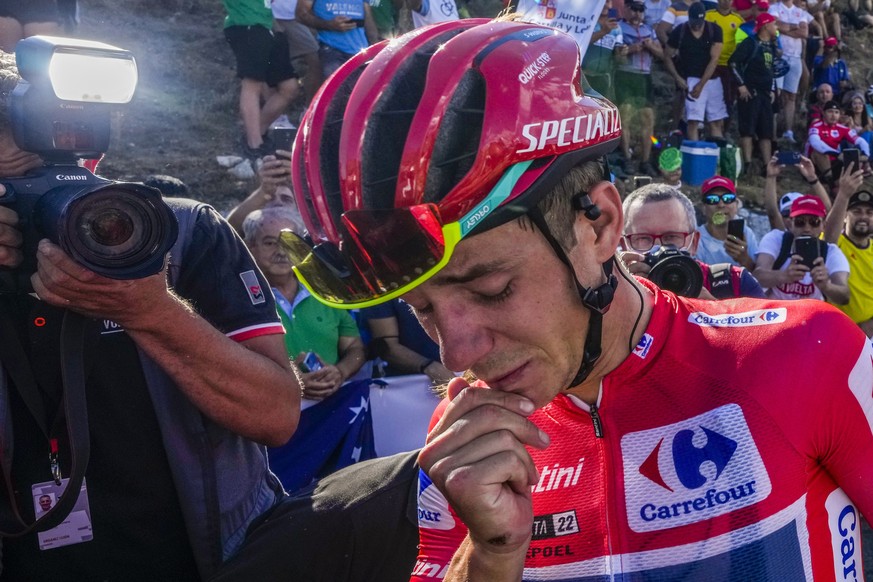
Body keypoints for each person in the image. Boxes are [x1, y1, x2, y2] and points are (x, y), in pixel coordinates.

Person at [284, 20, 873, 581]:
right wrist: (490, 555)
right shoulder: (465, 433)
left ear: (600, 227)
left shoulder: (805, 353)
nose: (458, 355)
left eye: (492, 288)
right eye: (423, 310)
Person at [0, 51, 300, 580]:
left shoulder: (177, 235)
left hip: (198, 559)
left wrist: (151, 311)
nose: (56, 194)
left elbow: (275, 415)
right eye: (25, 183)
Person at [242, 206, 365, 400]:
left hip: (330, 412)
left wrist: (340, 372)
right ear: (249, 247)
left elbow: (355, 349)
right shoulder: (240, 299)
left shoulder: (324, 291)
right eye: (270, 243)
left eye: (288, 243)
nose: (281, 252)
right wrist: (289, 380)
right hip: (272, 412)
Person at [620, 183, 766, 298]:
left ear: (694, 242)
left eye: (671, 237)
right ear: (623, 245)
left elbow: (771, 335)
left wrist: (712, 312)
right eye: (643, 238)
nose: (659, 249)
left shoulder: (736, 283)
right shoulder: (610, 291)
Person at [753, 195, 851, 301]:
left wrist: (827, 286)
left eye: (814, 222)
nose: (807, 228)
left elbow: (844, 295)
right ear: (790, 224)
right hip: (777, 312)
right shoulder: (776, 239)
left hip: (810, 314)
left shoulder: (831, 252)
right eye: (800, 222)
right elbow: (757, 276)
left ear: (823, 225)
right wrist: (783, 276)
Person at [664, 2, 727, 141]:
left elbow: (714, 59)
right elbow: (667, 56)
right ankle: (694, 153)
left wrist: (701, 84)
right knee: (693, 121)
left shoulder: (714, 30)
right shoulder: (680, 31)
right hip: (690, 78)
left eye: (700, 22)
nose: (697, 25)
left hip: (712, 79)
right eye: (694, 22)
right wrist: (677, 77)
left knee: (716, 121)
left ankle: (716, 155)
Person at [823, 166, 873, 335]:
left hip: (868, 334)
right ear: (845, 216)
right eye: (857, 211)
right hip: (833, 330)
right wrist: (843, 194)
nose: (864, 216)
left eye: (869, 212)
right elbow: (828, 241)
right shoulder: (836, 244)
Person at [728, 11, 778, 173]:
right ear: (765, 26)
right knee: (747, 129)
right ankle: (747, 164)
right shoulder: (750, 43)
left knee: (766, 132)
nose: (776, 27)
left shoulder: (771, 46)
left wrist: (772, 89)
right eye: (773, 24)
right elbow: (733, 63)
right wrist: (741, 85)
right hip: (751, 91)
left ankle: (767, 165)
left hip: (765, 93)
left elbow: (771, 70)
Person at [616, 1, 662, 175]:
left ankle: (645, 161)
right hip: (626, 74)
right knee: (625, 116)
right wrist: (632, 49)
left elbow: (662, 54)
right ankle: (626, 158)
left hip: (645, 76)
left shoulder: (649, 30)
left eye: (641, 10)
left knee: (648, 119)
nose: (637, 13)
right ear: (626, 9)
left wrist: (650, 46)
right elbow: (617, 55)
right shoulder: (619, 27)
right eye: (634, 9)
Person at [361, 298, 456, 383]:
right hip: (409, 385)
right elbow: (386, 346)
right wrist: (429, 366)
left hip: (457, 370)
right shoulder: (381, 293)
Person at [296, 0, 379, 78]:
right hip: (331, 49)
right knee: (337, 90)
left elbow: (368, 18)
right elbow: (301, 14)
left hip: (360, 50)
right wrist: (329, 25)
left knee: (360, 90)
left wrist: (375, 47)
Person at [768, 0, 812, 143]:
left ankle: (788, 131)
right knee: (776, 94)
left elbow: (804, 32)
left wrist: (785, 28)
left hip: (795, 56)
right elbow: (775, 26)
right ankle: (772, 133)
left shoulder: (800, 11)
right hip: (780, 55)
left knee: (791, 96)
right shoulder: (773, 8)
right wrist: (794, 27)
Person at [694, 175, 758, 269]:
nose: (721, 205)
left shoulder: (746, 233)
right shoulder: (697, 240)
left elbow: (758, 277)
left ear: (736, 205)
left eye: (728, 198)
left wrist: (744, 259)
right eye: (713, 199)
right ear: (703, 208)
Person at [272, 0, 323, 104]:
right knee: (274, 66)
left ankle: (309, 110)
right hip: (271, 17)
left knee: (315, 61)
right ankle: (278, 116)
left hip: (296, 18)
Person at [807, 99, 871, 181]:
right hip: (815, 164)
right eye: (830, 112)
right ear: (823, 113)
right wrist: (837, 154)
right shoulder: (816, 126)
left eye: (836, 112)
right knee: (819, 153)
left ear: (839, 115)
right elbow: (815, 143)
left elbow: (859, 140)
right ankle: (829, 180)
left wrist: (865, 153)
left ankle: (840, 182)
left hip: (835, 162)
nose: (833, 115)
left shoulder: (842, 128)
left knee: (853, 153)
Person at [705, 0, 745, 121]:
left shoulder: (738, 20)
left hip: (729, 65)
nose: (726, 1)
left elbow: (743, 43)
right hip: (711, 63)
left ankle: (724, 131)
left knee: (728, 99)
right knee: (709, 97)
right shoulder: (709, 15)